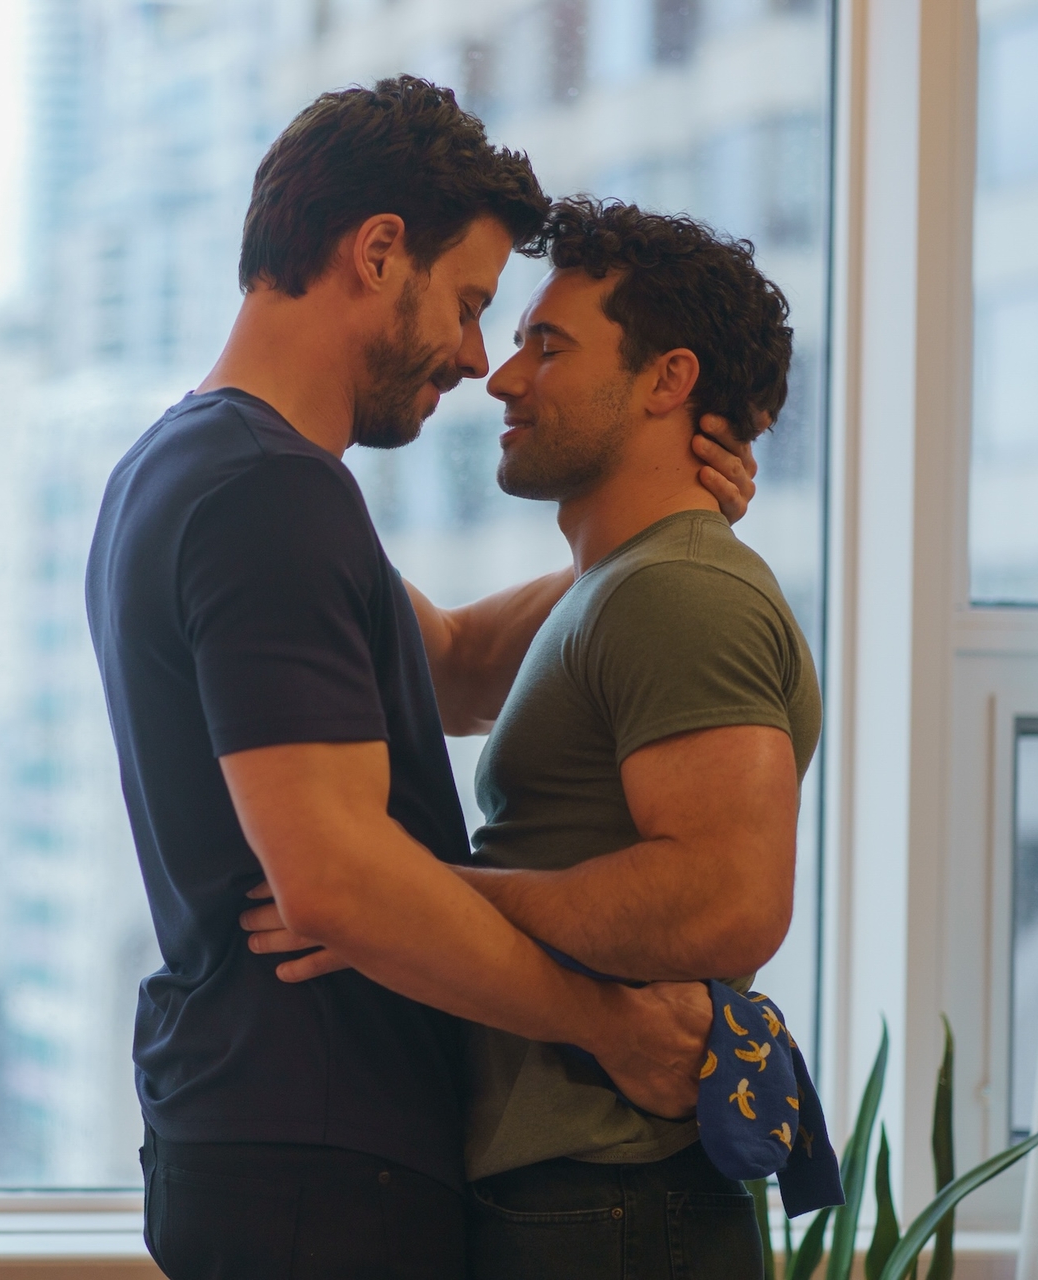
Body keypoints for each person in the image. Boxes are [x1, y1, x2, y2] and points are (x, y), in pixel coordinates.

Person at [85, 78, 754, 1279]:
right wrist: (612, 1025)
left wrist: (656, 525)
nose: (476, 357)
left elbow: (449, 668)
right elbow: (338, 880)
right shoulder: (269, 493)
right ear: (380, 251)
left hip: (269, 1130)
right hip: (325, 1151)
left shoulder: (190, 464)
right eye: (471, 303)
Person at [247, 197, 819, 1278]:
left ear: (668, 380)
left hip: (613, 1200)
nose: (502, 378)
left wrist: (403, 896)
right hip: (576, 1196)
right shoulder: (627, 587)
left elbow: (727, 904)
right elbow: (447, 661)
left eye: (546, 347)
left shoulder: (682, 593)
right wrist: (258, 461)